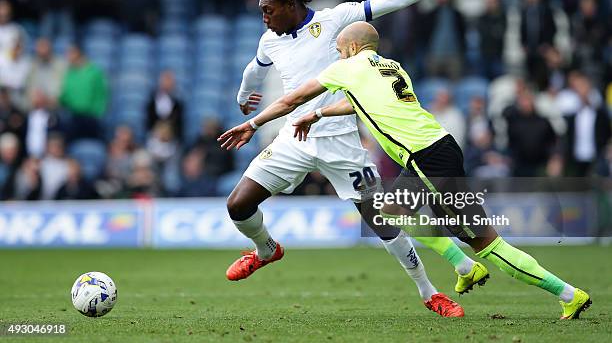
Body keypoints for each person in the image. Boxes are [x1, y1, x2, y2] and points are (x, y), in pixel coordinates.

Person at [220, 22, 591, 320]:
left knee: (486, 244)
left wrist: (254, 124)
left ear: (349, 47)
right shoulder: (391, 67)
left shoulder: (346, 67)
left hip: (427, 157)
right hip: (437, 149)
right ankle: (463, 267)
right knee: (390, 213)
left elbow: (290, 98)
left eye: (338, 48)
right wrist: (317, 114)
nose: (335, 52)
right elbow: (359, 106)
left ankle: (568, 294)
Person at [221, 0, 483, 318]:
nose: (264, 17)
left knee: (382, 220)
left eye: (269, 10)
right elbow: (256, 67)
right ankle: (266, 250)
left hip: (341, 139)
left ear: (291, 5)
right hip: (293, 138)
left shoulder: (335, 20)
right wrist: (243, 95)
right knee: (237, 205)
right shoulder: (270, 40)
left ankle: (429, 292)